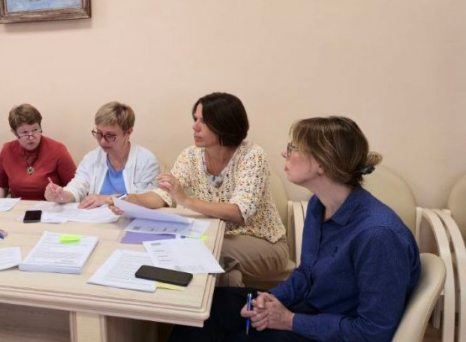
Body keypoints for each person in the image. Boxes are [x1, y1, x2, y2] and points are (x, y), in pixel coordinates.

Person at [170, 116, 420, 342]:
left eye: (293, 148)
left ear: (321, 163)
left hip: (335, 329)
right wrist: (273, 299)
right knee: (204, 310)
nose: (284, 153)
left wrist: (290, 321)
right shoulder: (318, 206)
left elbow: (373, 332)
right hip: (309, 307)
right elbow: (306, 274)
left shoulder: (378, 235)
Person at [116, 93, 288, 287]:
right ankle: (227, 302)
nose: (195, 126)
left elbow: (239, 212)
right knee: (226, 275)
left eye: (203, 121)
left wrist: (186, 201)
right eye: (195, 119)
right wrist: (132, 201)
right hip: (218, 236)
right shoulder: (191, 155)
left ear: (225, 123)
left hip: (263, 241)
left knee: (197, 250)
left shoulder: (252, 155)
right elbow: (164, 195)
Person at [45, 101, 159, 208]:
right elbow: (78, 187)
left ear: (128, 132)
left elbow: (148, 199)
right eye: (99, 133)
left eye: (110, 135)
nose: (102, 141)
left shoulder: (146, 161)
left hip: (130, 219)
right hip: (96, 220)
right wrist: (61, 195)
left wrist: (105, 199)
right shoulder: (91, 158)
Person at [0, 104, 76, 200]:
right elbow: (0, 186)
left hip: (50, 206)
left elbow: (74, 187)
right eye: (25, 132)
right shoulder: (7, 150)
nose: (31, 137)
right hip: (19, 206)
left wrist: (62, 195)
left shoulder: (58, 150)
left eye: (35, 130)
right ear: (14, 132)